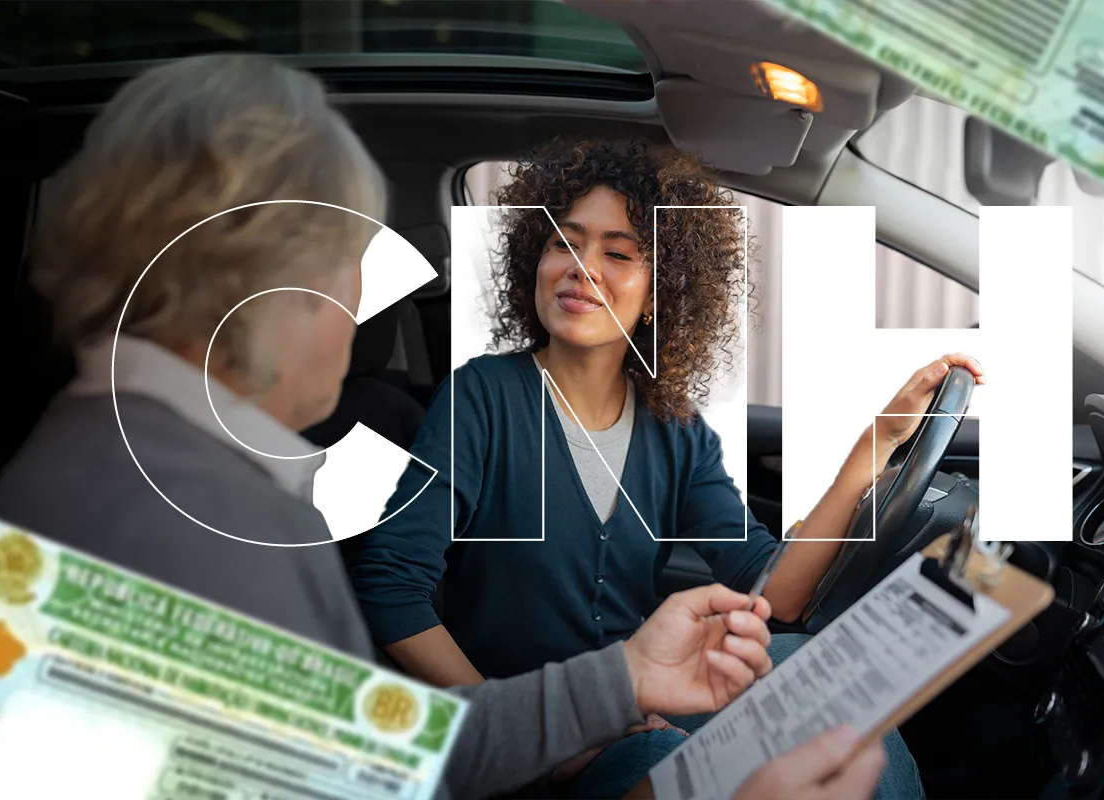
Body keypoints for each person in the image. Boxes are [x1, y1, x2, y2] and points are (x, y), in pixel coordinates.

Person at [0, 54, 863, 800]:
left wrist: (622, 678)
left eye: (621, 252)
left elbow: (374, 751)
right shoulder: (186, 525)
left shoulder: (141, 479)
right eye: (352, 272)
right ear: (268, 276)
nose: (361, 315)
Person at [351, 138, 987, 797]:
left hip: (642, 707)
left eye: (618, 253)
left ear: (660, 293)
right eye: (563, 243)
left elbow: (776, 594)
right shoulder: (481, 398)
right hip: (532, 746)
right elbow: (390, 589)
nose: (581, 267)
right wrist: (534, 732)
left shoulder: (673, 430)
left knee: (835, 684)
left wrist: (875, 446)